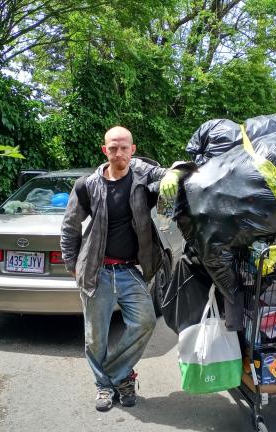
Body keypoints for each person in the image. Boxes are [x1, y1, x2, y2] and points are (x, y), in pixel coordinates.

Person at [60, 126, 182, 411]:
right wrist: (71, 263)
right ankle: (106, 386)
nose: (118, 153)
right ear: (105, 150)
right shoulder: (87, 185)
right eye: (113, 148)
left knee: (146, 321)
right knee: (95, 337)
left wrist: (175, 172)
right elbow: (69, 226)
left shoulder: (142, 183)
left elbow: (166, 178)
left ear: (133, 149)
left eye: (123, 147)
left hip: (128, 271)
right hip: (97, 271)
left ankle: (115, 376)